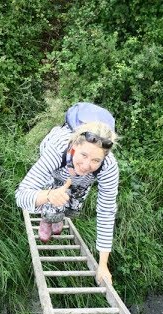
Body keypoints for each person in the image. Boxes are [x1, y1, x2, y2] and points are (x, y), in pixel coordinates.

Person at [15, 108, 119, 286]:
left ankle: (58, 216)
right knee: (55, 193)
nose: (87, 165)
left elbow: (106, 212)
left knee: (73, 199)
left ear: (105, 157)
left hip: (79, 180)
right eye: (84, 155)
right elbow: (21, 195)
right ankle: (47, 219)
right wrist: (48, 195)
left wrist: (103, 265)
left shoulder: (109, 167)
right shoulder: (57, 150)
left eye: (96, 160)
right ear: (75, 145)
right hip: (58, 165)